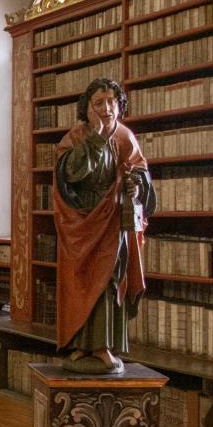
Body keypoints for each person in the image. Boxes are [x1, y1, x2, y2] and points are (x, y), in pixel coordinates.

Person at [53, 78, 156, 374]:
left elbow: (140, 173)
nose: (106, 108)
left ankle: (103, 346)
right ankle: (81, 344)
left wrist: (136, 185)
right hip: (82, 220)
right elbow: (70, 173)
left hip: (113, 221)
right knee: (80, 280)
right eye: (98, 103)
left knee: (110, 280)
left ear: (119, 105)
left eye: (111, 102)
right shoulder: (74, 137)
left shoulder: (125, 136)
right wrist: (96, 138)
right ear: (86, 108)